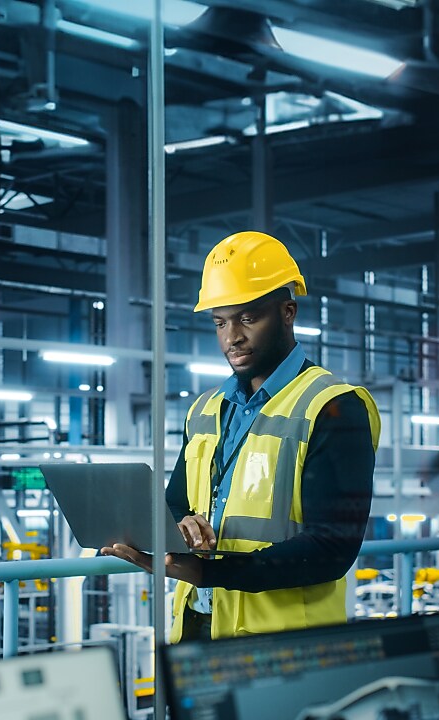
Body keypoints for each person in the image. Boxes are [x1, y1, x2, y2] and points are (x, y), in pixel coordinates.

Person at [101, 231, 380, 641]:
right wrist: (181, 526)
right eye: (220, 322)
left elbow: (331, 550)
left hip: (285, 644)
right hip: (198, 627)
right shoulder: (205, 410)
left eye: (248, 318)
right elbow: (176, 501)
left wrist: (208, 571)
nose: (232, 337)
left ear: (288, 311)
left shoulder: (334, 407)